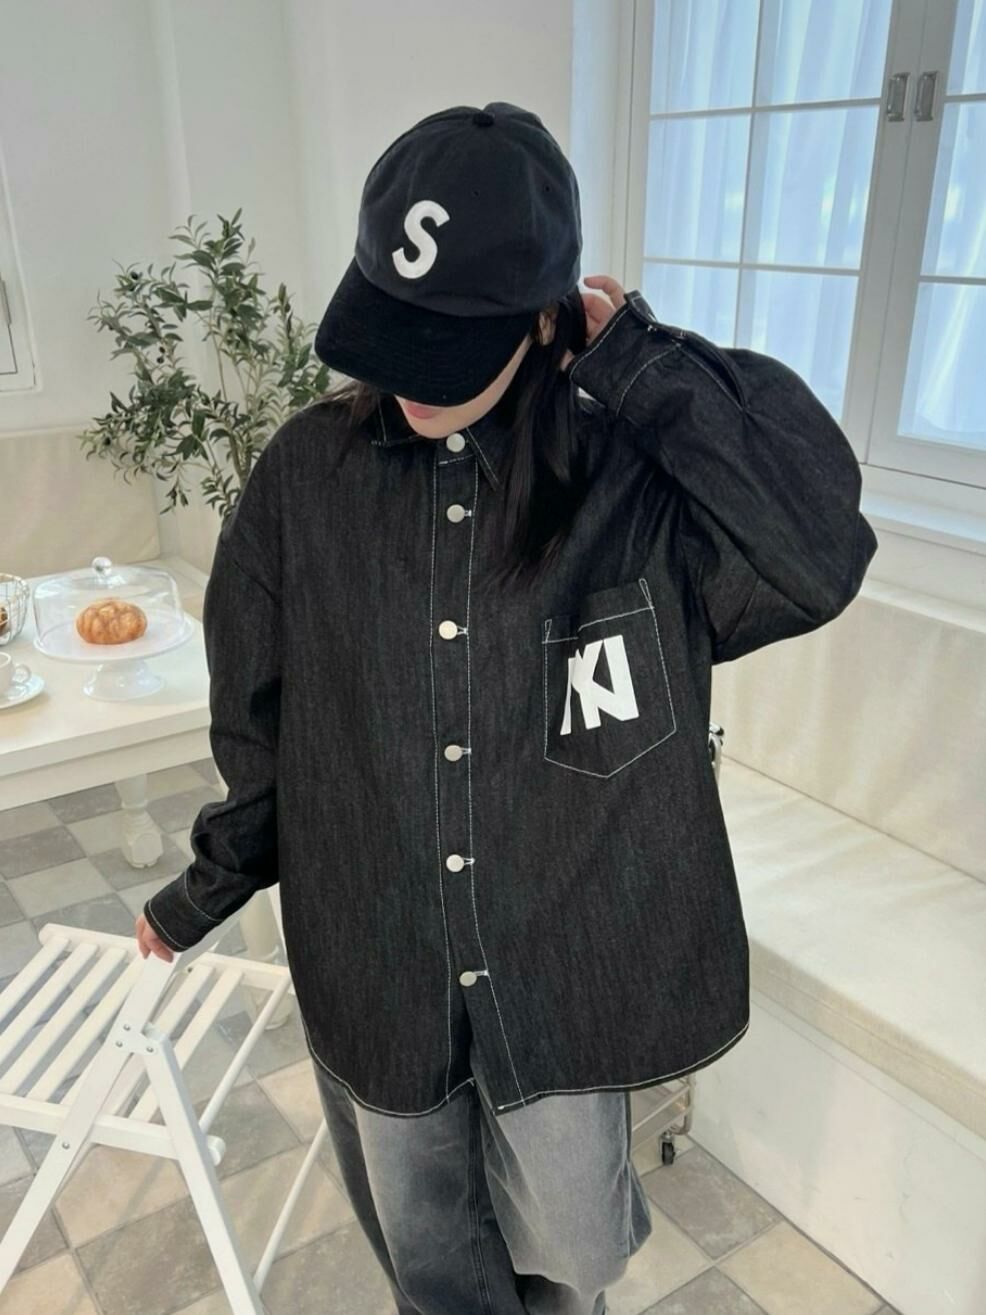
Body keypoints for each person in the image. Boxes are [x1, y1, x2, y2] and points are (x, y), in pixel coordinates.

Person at [135, 101, 878, 1314]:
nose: (406, 380)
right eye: (392, 327)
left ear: (543, 317)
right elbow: (257, 720)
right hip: (377, 953)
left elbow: (814, 549)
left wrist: (636, 358)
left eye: (449, 343)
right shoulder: (304, 478)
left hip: (566, 959)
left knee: (570, 1257)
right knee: (433, 1268)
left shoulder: (628, 478)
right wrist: (206, 885)